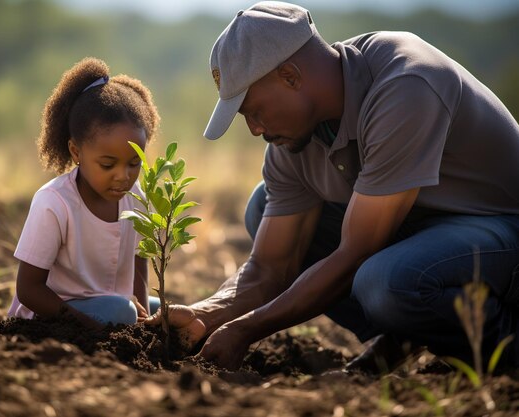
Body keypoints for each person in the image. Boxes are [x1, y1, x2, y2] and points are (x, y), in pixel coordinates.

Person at [146, 1, 519, 373]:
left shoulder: (406, 83)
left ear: (290, 76)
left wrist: (246, 330)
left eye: (254, 111)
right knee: (263, 207)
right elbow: (269, 267)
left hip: (499, 227)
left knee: (384, 281)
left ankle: (506, 350)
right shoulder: (293, 138)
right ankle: (404, 335)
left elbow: (356, 255)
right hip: (422, 237)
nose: (255, 129)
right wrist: (206, 314)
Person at [8, 57, 161, 329]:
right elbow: (29, 290)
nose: (123, 176)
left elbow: (140, 266)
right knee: (121, 312)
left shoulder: (136, 198)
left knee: (167, 313)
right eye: (107, 164)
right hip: (50, 317)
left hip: (113, 305)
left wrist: (144, 323)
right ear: (76, 152)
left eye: (134, 163)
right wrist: (86, 326)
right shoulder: (54, 203)